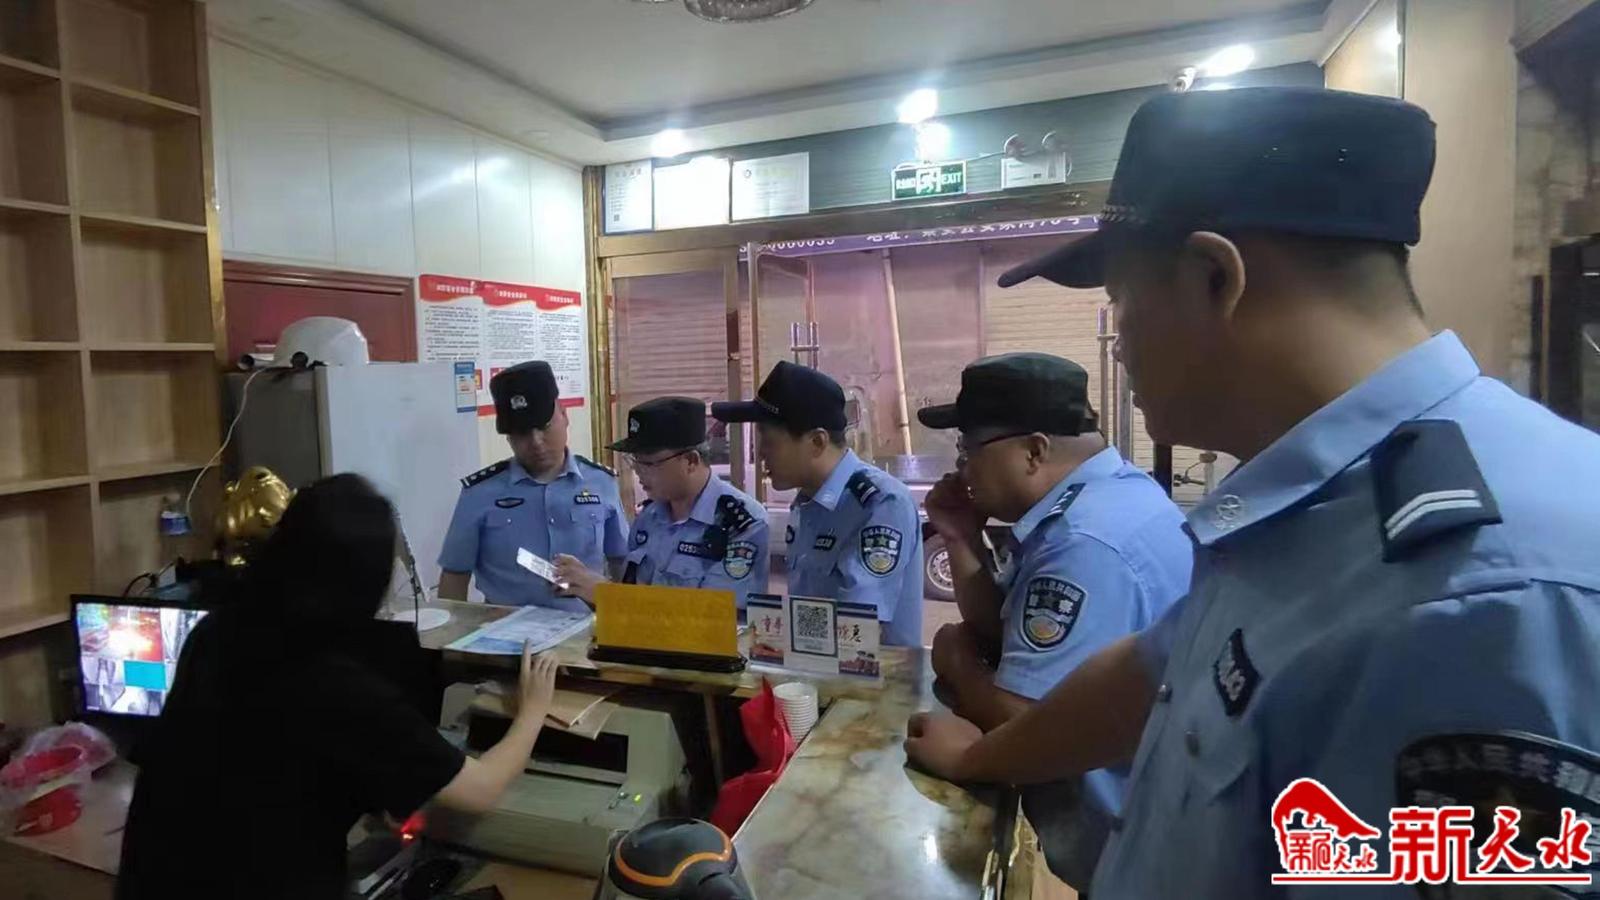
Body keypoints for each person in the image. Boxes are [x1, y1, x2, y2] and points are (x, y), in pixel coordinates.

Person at [904, 86, 1600, 898]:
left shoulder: (1494, 584)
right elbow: (1148, 675)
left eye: (1122, 303)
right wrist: (981, 756)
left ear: (1214, 278)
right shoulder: (1301, 498)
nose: (1118, 347)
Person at [117, 475, 562, 900]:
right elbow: (480, 788)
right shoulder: (337, 686)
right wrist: (533, 711)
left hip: (156, 881)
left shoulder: (215, 632)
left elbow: (267, 764)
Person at [918, 351, 1191, 888]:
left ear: (1034, 451)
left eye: (969, 449)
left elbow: (1023, 722)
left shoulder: (1084, 543)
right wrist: (959, 533)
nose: (961, 468)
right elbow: (1012, 633)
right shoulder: (1110, 497)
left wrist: (960, 666)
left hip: (1128, 863)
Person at [712, 361, 924, 646]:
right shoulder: (807, 502)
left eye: (769, 441)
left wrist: (771, 628)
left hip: (870, 673)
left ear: (816, 442)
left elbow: (857, 627)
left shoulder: (879, 504)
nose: (760, 453)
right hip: (813, 668)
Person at [439, 360, 628, 611]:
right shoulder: (480, 493)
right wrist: (453, 633)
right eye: (522, 433)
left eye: (544, 427)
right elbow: (454, 575)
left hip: (586, 628)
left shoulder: (601, 482)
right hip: (505, 630)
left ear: (564, 415)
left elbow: (622, 563)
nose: (536, 442)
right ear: (508, 438)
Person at [554, 396, 769, 607]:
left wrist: (606, 594)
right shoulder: (649, 517)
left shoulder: (740, 524)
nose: (638, 471)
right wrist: (584, 587)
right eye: (634, 460)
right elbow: (632, 605)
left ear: (691, 461)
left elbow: (713, 616)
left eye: (648, 463)